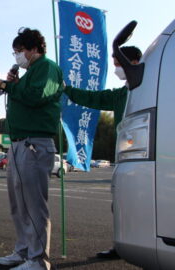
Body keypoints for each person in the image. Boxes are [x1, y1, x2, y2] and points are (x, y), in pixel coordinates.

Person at [0, 28, 63, 270]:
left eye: (20, 51)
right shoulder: (29, 73)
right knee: (18, 203)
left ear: (34, 49)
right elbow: (27, 93)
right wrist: (13, 84)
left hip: (34, 144)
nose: (17, 56)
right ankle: (23, 251)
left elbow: (36, 96)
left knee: (33, 204)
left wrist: (7, 86)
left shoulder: (47, 68)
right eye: (15, 52)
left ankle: (39, 260)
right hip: (20, 144)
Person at [63, 46, 142, 259]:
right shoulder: (120, 94)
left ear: (134, 62)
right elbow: (94, 98)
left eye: (118, 64)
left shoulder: (152, 88)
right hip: (125, 158)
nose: (116, 68)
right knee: (120, 204)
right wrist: (67, 89)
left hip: (149, 159)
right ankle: (121, 245)